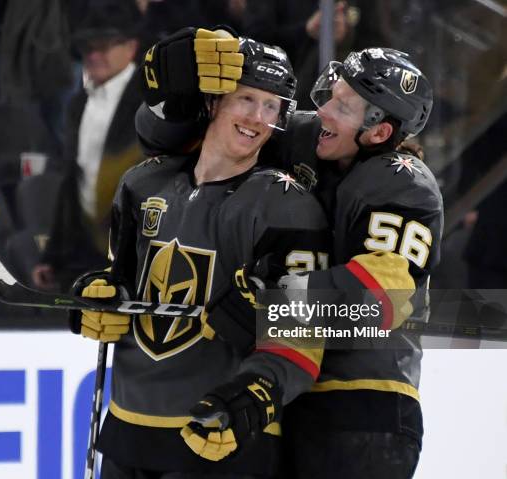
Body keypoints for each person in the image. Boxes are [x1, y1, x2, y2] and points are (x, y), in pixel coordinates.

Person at [134, 36, 443, 478]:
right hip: (285, 394)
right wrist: (169, 96)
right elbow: (176, 146)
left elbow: (382, 297)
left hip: (362, 409)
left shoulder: (404, 183)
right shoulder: (308, 138)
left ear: (379, 132)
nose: (324, 113)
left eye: (343, 106)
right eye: (332, 95)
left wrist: (268, 306)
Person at [69, 35, 333, 478]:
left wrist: (253, 394)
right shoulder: (141, 184)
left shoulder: (286, 205)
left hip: (216, 435)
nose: (257, 117)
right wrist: (101, 297)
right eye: (246, 98)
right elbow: (123, 281)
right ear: (213, 101)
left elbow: (300, 331)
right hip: (127, 428)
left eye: (272, 106)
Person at [32, 0, 146, 292]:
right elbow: (72, 181)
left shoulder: (152, 101)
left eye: (104, 46)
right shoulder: (77, 104)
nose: (94, 55)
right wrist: (53, 254)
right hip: (84, 253)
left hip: (137, 252)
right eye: (87, 48)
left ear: (130, 47)